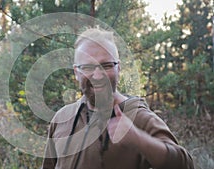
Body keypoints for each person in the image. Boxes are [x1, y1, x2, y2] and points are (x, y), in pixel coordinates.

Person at [41, 28, 194, 169]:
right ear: (76, 72)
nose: (98, 75)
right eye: (88, 67)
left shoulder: (138, 117)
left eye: (106, 65)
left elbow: (184, 165)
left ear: (118, 68)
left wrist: (138, 138)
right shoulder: (62, 118)